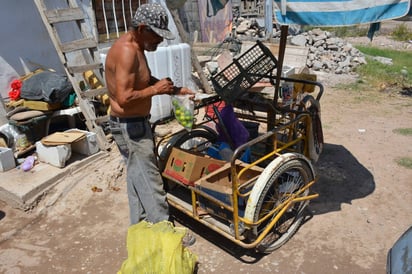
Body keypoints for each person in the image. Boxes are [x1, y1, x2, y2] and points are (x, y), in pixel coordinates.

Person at [104, 3, 195, 245]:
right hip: (129, 125)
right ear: (142, 28)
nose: (159, 42)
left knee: (137, 176)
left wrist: (174, 90)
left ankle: (141, 226)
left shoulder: (136, 45)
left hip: (132, 123)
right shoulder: (126, 52)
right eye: (156, 35)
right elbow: (124, 97)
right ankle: (166, 232)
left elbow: (142, 78)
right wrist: (155, 90)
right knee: (151, 178)